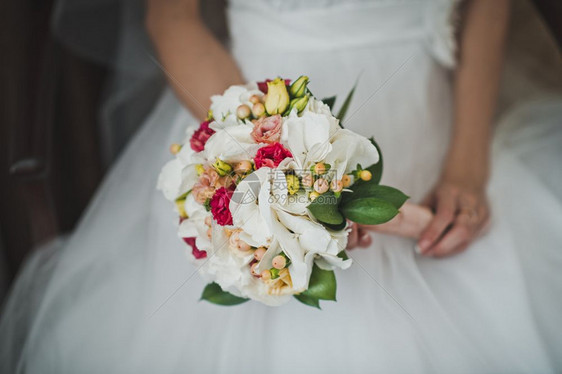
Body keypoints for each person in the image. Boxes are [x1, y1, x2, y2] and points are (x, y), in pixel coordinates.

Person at [1, 0, 561, 372]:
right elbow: (171, 19)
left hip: (438, 114)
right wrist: (297, 187)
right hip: (251, 109)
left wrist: (467, 165)